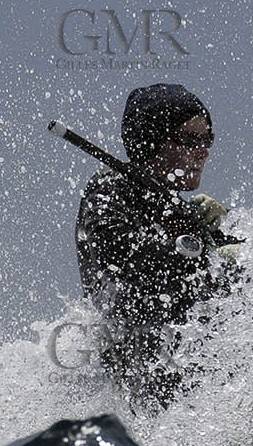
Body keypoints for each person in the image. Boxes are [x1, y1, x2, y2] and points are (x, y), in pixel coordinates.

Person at [75, 84, 241, 407]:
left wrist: (225, 245)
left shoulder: (171, 204)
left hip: (184, 367)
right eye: (190, 141)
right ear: (153, 141)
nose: (203, 151)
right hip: (136, 367)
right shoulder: (108, 189)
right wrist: (193, 250)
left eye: (207, 141)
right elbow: (122, 254)